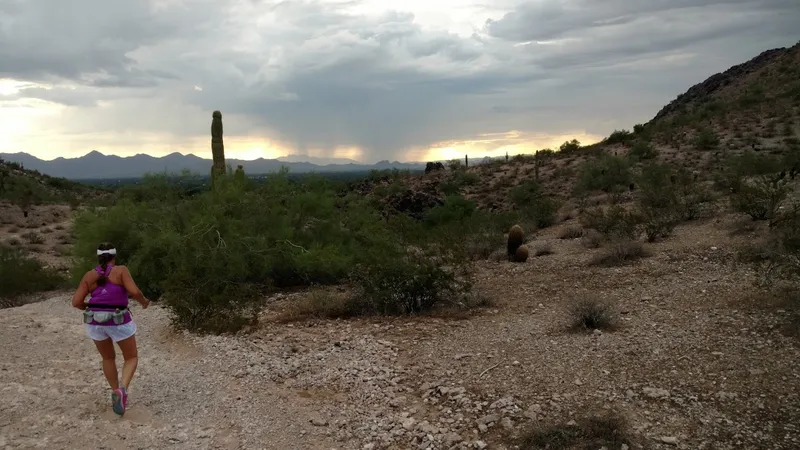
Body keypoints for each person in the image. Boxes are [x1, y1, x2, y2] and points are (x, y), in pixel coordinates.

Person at [71, 242, 150, 416]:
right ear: (114, 256)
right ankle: (123, 389)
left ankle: (115, 391)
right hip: (118, 320)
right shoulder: (121, 270)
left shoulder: (89, 275)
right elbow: (134, 292)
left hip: (95, 322)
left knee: (108, 358)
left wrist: (89, 307)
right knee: (131, 357)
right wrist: (144, 303)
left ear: (98, 257)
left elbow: (76, 302)